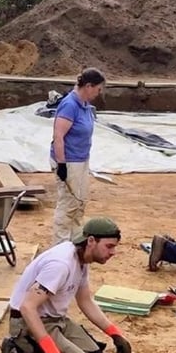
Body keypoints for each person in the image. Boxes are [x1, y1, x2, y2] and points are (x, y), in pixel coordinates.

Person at [1, 217, 132, 353]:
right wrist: (48, 347)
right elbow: (27, 307)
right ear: (91, 241)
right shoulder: (61, 264)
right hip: (29, 323)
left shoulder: (82, 258)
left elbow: (85, 302)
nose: (113, 252)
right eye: (109, 246)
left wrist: (115, 334)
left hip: (57, 321)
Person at [50, 68, 106, 244]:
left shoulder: (85, 105)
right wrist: (62, 165)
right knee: (68, 205)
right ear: (88, 86)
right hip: (69, 161)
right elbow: (58, 136)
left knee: (79, 204)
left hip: (81, 160)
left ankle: (75, 243)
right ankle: (59, 247)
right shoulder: (70, 105)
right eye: (98, 89)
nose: (99, 93)